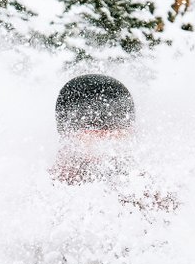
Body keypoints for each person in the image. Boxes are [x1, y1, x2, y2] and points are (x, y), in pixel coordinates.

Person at [50, 74, 177, 211]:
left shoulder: (153, 193)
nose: (107, 136)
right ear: (66, 132)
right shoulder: (45, 192)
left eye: (116, 123)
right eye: (95, 125)